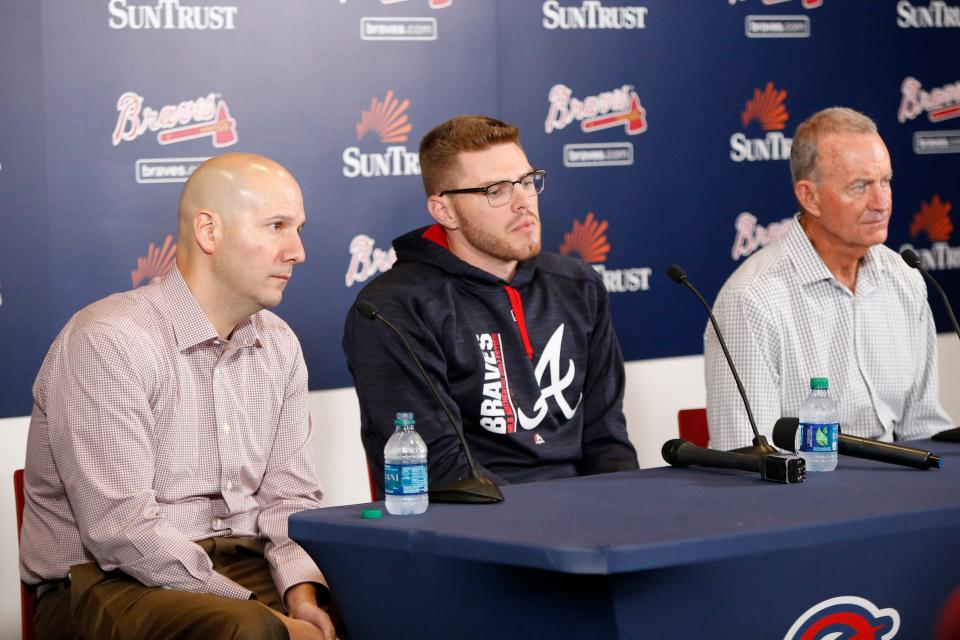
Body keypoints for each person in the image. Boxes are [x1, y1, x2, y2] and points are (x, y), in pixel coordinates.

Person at [20, 153, 339, 640]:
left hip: (243, 569)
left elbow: (288, 498)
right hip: (106, 584)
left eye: (297, 229)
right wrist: (274, 621)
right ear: (209, 232)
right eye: (277, 226)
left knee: (383, 603)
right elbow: (122, 532)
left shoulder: (279, 343)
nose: (297, 251)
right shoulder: (108, 339)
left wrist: (302, 595)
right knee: (249, 631)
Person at [343, 114, 638, 495]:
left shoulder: (579, 285)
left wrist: (622, 515)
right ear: (445, 210)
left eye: (528, 182)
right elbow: (441, 466)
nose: (522, 203)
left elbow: (607, 438)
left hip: (582, 521)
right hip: (467, 529)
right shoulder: (394, 307)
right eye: (495, 191)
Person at [705, 107, 953, 450]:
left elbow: (924, 430)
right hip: (802, 498)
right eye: (860, 186)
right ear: (810, 196)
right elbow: (749, 456)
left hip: (901, 495)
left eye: (885, 181)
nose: (882, 203)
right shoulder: (752, 298)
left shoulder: (905, 278)